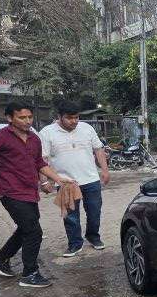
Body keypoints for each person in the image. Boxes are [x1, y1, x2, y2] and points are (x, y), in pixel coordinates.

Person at [0, 101, 70, 287]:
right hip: (10, 191)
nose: (27, 121)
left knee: (26, 228)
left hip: (29, 191)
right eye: (22, 117)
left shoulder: (34, 139)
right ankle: (30, 274)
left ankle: (0, 260)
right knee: (33, 232)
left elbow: (39, 163)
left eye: (30, 117)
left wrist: (58, 179)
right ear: (10, 118)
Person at [39, 100, 110, 257]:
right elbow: (42, 159)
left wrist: (105, 170)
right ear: (59, 117)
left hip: (91, 180)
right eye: (70, 118)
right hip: (66, 182)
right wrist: (44, 180)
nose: (74, 121)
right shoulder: (47, 132)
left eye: (76, 117)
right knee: (71, 216)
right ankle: (75, 243)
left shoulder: (87, 128)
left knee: (94, 212)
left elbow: (98, 149)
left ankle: (93, 236)